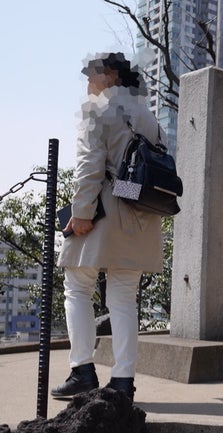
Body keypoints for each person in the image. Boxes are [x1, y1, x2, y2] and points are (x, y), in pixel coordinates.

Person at [51, 52, 164, 402]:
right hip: (140, 210)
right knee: (123, 298)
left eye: (92, 76)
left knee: (78, 285)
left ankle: (82, 370)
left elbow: (90, 166)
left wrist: (81, 212)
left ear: (110, 76)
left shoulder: (96, 109)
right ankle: (122, 381)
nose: (87, 84)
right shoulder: (148, 115)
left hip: (103, 211)